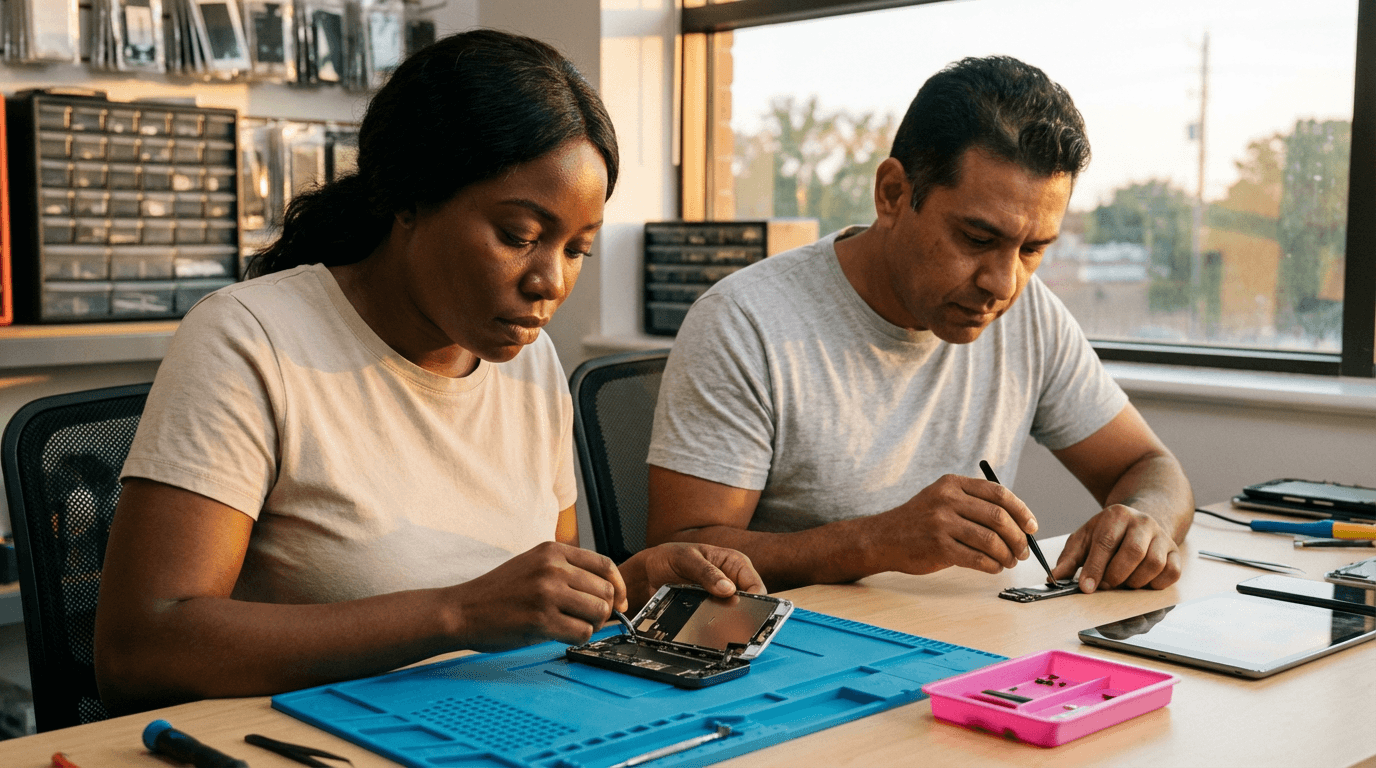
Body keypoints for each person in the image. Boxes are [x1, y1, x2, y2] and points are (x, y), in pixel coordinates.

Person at [93, 30, 763, 715]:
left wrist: (625, 584)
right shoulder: (250, 339)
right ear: (409, 199)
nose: (549, 282)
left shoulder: (532, 363)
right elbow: (141, 650)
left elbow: (529, 606)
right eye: (519, 236)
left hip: (488, 726)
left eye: (577, 248)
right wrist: (455, 614)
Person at [645, 56, 1193, 593]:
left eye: (1032, 249)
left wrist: (1144, 521)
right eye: (978, 239)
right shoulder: (745, 323)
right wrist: (878, 541)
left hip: (959, 644)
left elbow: (1152, 467)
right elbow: (675, 557)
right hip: (784, 658)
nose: (1003, 283)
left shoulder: (1030, 315)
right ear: (891, 194)